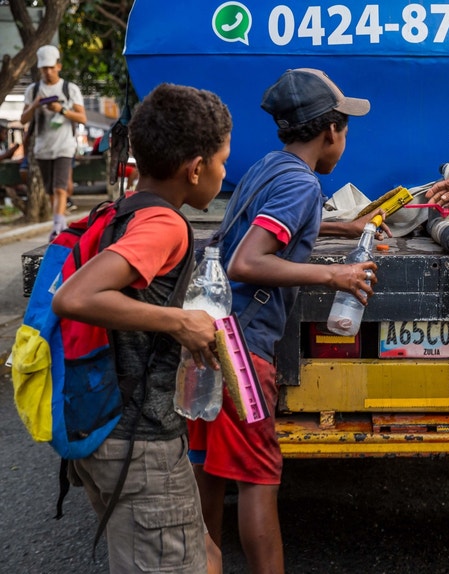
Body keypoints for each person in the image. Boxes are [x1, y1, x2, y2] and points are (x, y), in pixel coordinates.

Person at [188, 68, 377, 574]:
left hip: (215, 333)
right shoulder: (301, 185)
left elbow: (278, 216)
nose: (344, 139)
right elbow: (246, 261)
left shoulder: (272, 167)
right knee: (257, 476)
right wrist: (335, 277)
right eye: (345, 129)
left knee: (209, 470)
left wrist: (344, 224)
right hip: (243, 351)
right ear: (330, 132)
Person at [51, 83, 233, 574]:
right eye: (221, 161)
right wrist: (179, 321)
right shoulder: (165, 225)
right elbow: (76, 298)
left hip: (107, 428)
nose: (224, 172)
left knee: (206, 555)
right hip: (139, 443)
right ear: (195, 169)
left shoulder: (122, 211)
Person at [19, 45, 87, 239]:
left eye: (50, 67)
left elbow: (82, 118)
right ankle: (60, 222)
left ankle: (56, 227)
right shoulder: (33, 90)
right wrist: (35, 105)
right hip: (42, 147)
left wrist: (61, 109)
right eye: (43, 68)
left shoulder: (69, 89)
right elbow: (23, 119)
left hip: (65, 146)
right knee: (50, 189)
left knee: (60, 187)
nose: (47, 72)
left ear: (58, 66)